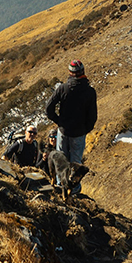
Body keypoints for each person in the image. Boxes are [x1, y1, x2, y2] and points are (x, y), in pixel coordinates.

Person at [44, 59, 97, 194]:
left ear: (70, 73)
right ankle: (73, 191)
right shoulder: (90, 91)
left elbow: (48, 108)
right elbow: (93, 116)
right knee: (75, 162)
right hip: (79, 133)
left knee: (61, 159)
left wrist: (59, 121)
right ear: (82, 72)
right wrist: (85, 130)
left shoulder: (63, 88)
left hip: (63, 131)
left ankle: (59, 186)